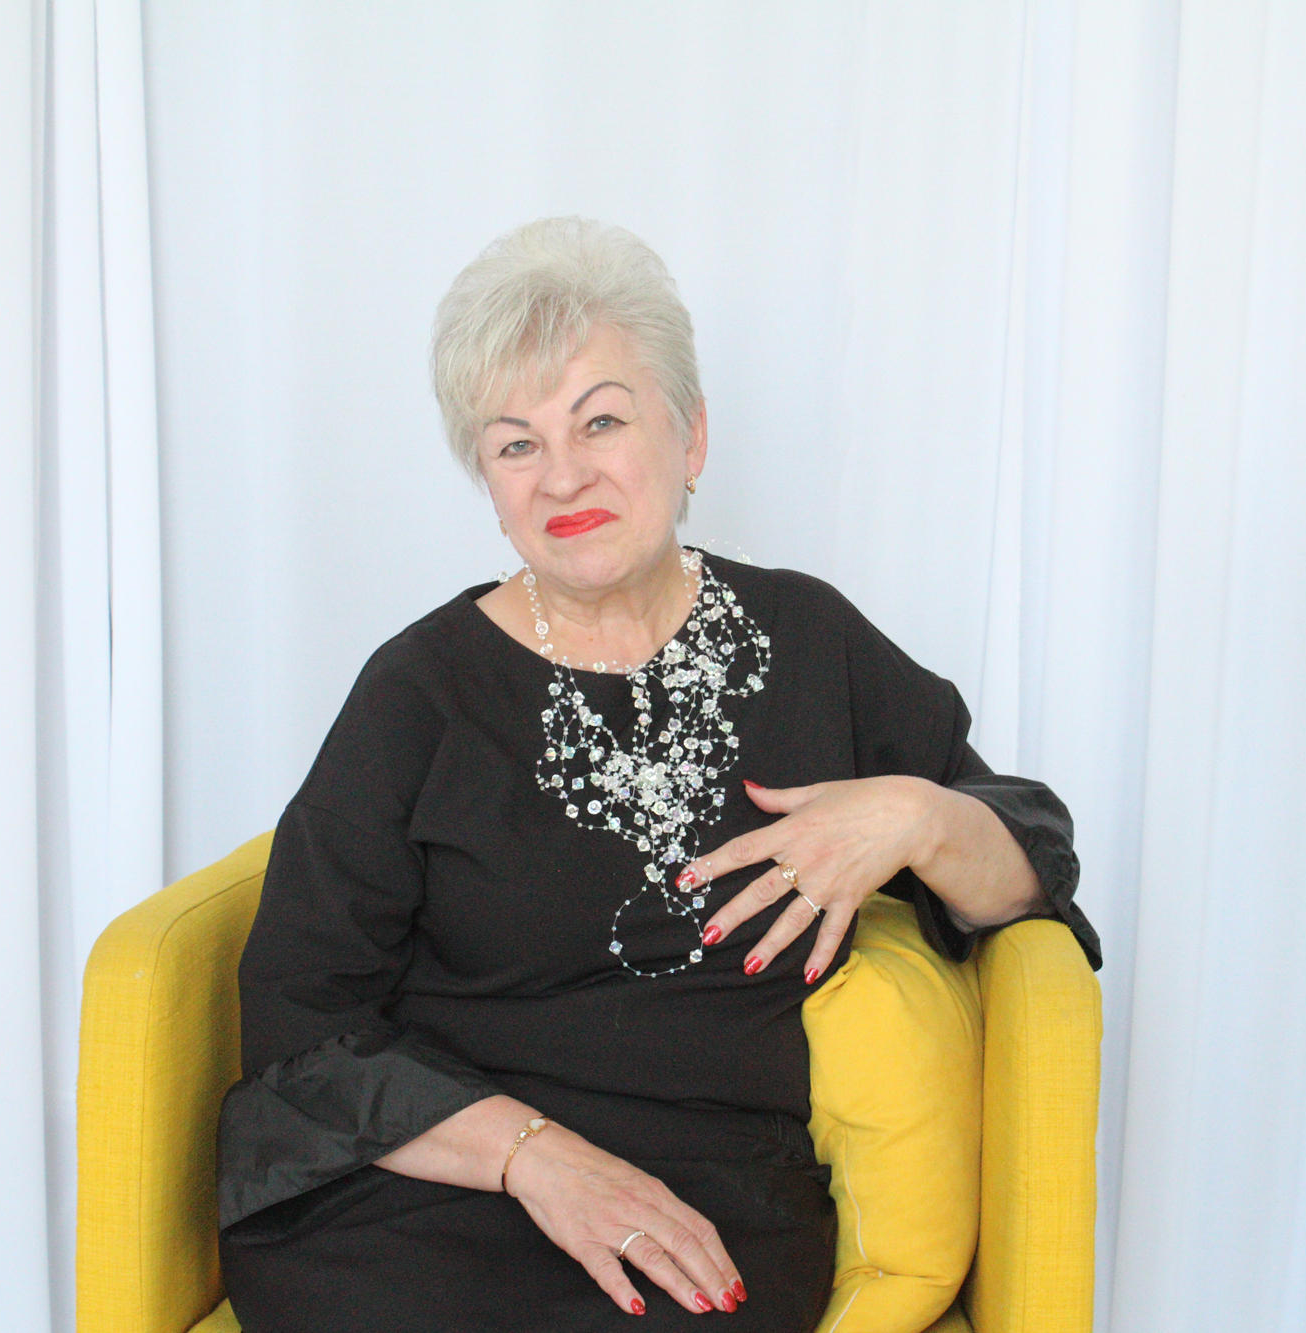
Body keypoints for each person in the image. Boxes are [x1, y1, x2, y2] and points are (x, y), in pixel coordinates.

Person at [215, 217, 1102, 1332]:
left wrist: (916, 817)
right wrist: (535, 1157)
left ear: (690, 437)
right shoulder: (418, 691)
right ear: (488, 481)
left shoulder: (806, 641)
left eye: (601, 420)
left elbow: (1028, 877)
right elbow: (299, 1017)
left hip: (707, 1200)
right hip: (443, 1179)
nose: (564, 475)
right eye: (516, 445)